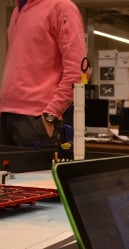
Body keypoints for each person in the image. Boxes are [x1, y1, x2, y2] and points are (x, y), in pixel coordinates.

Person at [0, 0, 86, 150]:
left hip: (36, 120)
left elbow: (79, 71)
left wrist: (51, 114)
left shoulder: (61, 7)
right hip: (6, 115)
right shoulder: (17, 11)